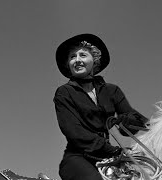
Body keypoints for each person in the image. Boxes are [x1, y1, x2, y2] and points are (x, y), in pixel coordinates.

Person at [53, 33, 148, 180]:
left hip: (109, 157)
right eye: (72, 57)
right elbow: (74, 132)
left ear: (95, 60)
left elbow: (135, 122)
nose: (77, 60)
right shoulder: (64, 92)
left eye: (82, 55)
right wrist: (112, 150)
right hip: (78, 158)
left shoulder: (111, 90)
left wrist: (125, 120)